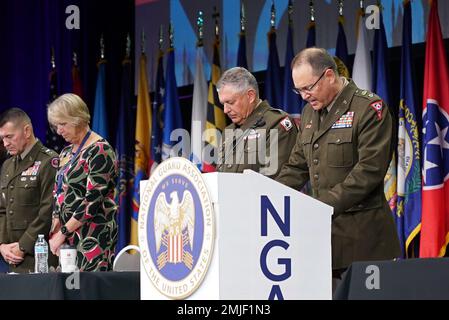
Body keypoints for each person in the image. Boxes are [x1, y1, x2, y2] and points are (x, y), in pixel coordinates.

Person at [276, 48, 401, 281]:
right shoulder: (309, 112)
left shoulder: (368, 108)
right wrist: (265, 195)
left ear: (329, 76)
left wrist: (320, 208)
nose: (303, 96)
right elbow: (297, 165)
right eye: (298, 89)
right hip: (324, 243)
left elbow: (368, 172)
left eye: (308, 88)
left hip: (364, 242)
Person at [47, 93, 118, 271]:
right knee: (70, 290)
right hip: (67, 237)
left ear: (78, 119)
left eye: (63, 124)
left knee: (86, 290)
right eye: (56, 125)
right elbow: (58, 190)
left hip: (93, 237)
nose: (58, 131)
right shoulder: (65, 152)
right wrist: (56, 223)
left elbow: (91, 202)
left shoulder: (100, 150)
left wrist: (63, 233)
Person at [0, 108, 59, 273]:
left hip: (39, 256)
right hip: (10, 259)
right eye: (3, 138)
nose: (5, 144)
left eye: (9, 137)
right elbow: (2, 210)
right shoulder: (7, 165)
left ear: (26, 131)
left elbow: (48, 212)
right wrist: (2, 245)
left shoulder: (49, 161)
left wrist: (22, 246)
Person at [216, 67, 298, 178]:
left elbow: (275, 180)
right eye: (223, 104)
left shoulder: (277, 124)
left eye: (230, 102)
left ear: (250, 96)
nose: (225, 110)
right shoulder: (228, 131)